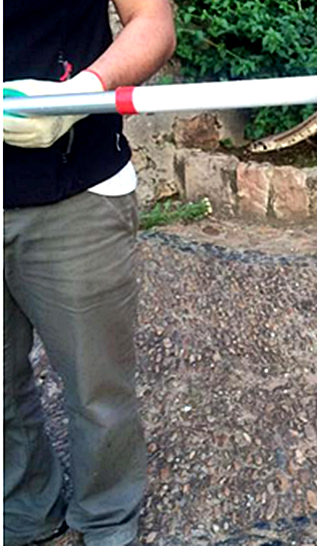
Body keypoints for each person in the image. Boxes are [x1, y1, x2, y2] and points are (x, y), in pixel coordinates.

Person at [3, 1, 176, 544]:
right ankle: (23, 510)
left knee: (96, 389)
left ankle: (106, 522)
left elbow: (153, 24)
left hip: (74, 192)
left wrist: (82, 92)